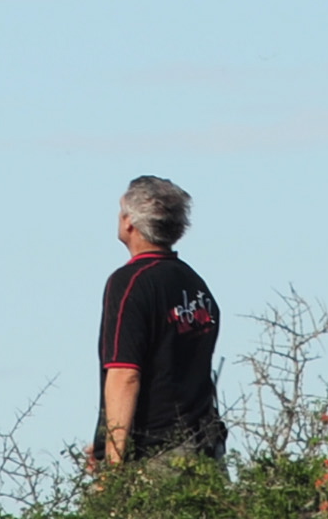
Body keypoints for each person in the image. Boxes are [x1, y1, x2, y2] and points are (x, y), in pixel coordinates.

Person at [92, 176, 225, 467]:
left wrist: (112, 462)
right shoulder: (194, 284)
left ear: (130, 222)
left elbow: (124, 374)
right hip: (203, 450)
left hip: (153, 455)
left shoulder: (129, 283)